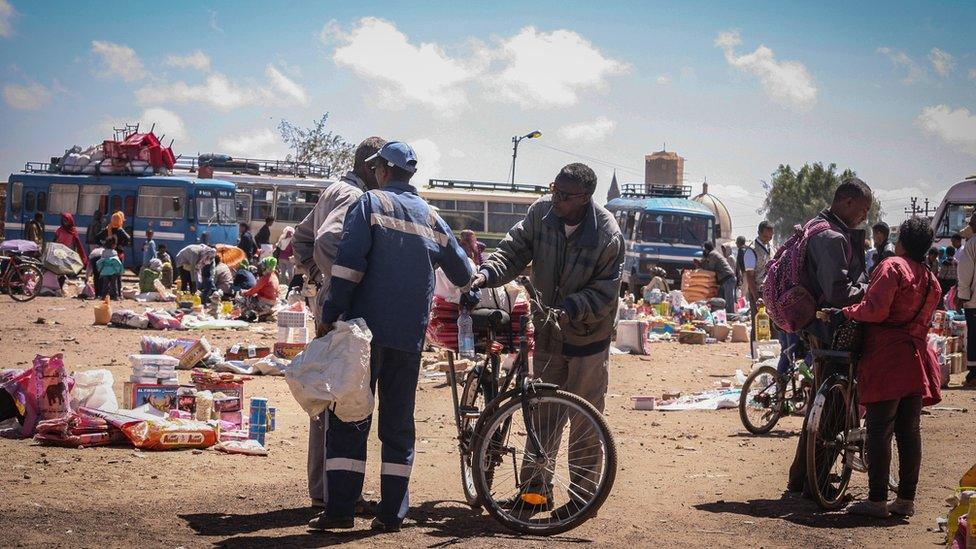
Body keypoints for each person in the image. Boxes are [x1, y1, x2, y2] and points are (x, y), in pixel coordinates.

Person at [312, 141, 472, 533]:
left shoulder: (369, 204)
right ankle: (391, 514)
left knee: (350, 417)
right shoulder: (432, 217)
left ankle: (340, 511)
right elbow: (464, 274)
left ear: (382, 169)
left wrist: (329, 316)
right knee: (398, 426)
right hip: (409, 337)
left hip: (363, 336)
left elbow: (347, 268)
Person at [470, 162, 625, 516]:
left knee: (585, 421)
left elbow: (605, 293)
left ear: (584, 198)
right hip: (547, 335)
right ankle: (535, 494)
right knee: (541, 417)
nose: (555, 198)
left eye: (564, 195)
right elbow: (511, 252)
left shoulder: (607, 235)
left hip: (588, 339)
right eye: (554, 189)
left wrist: (570, 308)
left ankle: (583, 499)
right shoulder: (541, 214)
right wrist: (484, 276)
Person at [292, 136, 385, 514]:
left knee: (327, 395)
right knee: (343, 399)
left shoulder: (334, 189)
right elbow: (327, 242)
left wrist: (318, 279)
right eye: (385, 170)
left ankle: (322, 488)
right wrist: (344, 282)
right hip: (344, 308)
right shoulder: (353, 197)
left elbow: (302, 239)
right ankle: (336, 493)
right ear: (371, 168)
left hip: (330, 303)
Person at [841, 216, 942, 518]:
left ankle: (876, 501)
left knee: (879, 429)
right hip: (915, 359)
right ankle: (905, 500)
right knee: (909, 431)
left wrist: (847, 311)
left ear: (901, 242)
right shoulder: (931, 279)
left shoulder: (893, 267)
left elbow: (875, 310)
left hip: (886, 356)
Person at [787, 177, 872, 494]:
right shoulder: (833, 237)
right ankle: (817, 481)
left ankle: (801, 476)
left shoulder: (817, 226)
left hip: (818, 328)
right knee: (832, 407)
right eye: (863, 210)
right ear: (847, 202)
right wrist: (869, 288)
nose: (864, 217)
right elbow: (838, 292)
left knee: (817, 405)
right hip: (833, 330)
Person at [954, 212, 976, 387]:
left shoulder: (971, 244)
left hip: (974, 301)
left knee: (974, 335)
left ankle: (974, 375)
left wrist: (962, 296)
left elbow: (965, 273)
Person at [744, 221, 775, 329]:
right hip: (758, 292)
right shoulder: (751, 250)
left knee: (771, 325)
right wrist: (757, 297)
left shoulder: (771, 248)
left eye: (770, 237)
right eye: (765, 236)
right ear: (759, 233)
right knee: (759, 325)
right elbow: (750, 276)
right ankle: (755, 346)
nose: (767, 239)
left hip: (770, 291)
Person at [699, 241, 736, 314]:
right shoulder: (714, 253)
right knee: (720, 300)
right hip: (724, 280)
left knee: (728, 302)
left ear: (707, 249)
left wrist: (701, 264)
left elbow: (710, 268)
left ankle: (731, 317)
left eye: (705, 249)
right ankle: (721, 315)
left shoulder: (712, 254)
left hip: (727, 279)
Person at [241, 256, 280, 321]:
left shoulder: (265, 278)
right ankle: (264, 315)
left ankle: (249, 315)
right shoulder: (274, 276)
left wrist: (244, 293)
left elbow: (253, 291)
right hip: (272, 303)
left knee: (240, 299)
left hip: (264, 304)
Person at [96, 236, 124, 300]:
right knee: (114, 284)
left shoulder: (103, 252)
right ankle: (115, 296)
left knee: (105, 285)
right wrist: (119, 270)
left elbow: (101, 261)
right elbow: (116, 262)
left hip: (105, 271)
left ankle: (103, 296)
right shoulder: (114, 252)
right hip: (113, 271)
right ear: (113, 245)